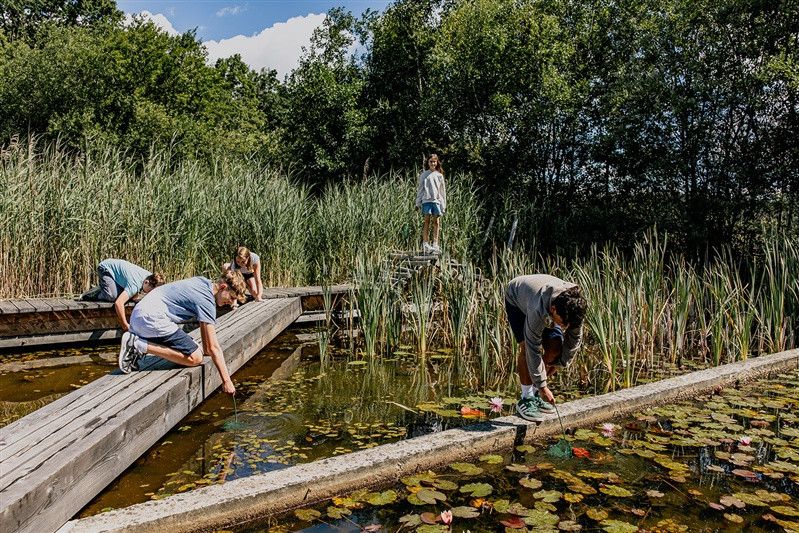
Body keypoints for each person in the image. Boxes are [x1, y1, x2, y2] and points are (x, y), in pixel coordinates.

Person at [118, 271, 247, 395]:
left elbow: (207, 343)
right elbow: (214, 347)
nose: (231, 302)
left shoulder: (203, 282)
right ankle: (138, 345)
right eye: (231, 297)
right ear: (223, 287)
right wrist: (227, 381)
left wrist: (206, 350)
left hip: (140, 315)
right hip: (151, 319)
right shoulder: (207, 300)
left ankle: (136, 346)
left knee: (198, 350)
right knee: (195, 357)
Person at [504, 274, 587, 422]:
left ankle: (536, 394)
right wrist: (543, 386)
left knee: (555, 348)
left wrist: (561, 363)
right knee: (526, 347)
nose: (565, 327)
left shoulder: (573, 309)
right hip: (516, 298)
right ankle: (527, 398)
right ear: (553, 310)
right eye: (563, 323)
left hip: (548, 299)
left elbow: (574, 339)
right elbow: (532, 349)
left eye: (567, 325)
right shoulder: (537, 309)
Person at [80, 258, 164, 331]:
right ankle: (93, 293)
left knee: (128, 295)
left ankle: (108, 288)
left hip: (119, 275)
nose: (150, 293)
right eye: (150, 291)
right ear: (146, 282)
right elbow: (118, 303)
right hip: (106, 268)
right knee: (112, 296)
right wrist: (125, 324)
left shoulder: (151, 277)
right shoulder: (135, 285)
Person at [415, 153, 446, 254]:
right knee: (426, 222)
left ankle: (435, 244)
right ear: (428, 163)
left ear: (437, 162)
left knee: (436, 223)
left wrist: (443, 205)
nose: (433, 163)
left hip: (436, 201)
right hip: (426, 201)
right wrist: (417, 203)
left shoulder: (439, 175)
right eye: (431, 161)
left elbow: (442, 192)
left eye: (434, 161)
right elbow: (420, 190)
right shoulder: (424, 175)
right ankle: (425, 243)